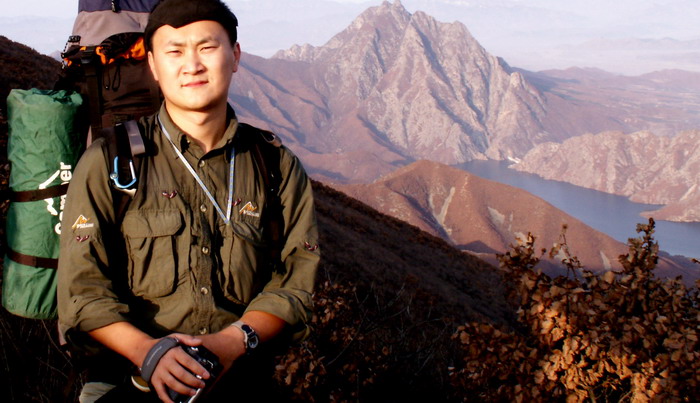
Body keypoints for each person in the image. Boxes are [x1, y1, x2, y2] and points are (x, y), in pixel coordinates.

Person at [57, 0, 320, 401]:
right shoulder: (108, 161)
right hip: (126, 381)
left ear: (235, 56)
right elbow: (81, 291)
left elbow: (295, 283)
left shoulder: (274, 165)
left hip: (238, 379)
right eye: (175, 51)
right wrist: (150, 353)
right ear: (152, 64)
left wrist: (231, 342)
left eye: (207, 48)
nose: (192, 65)